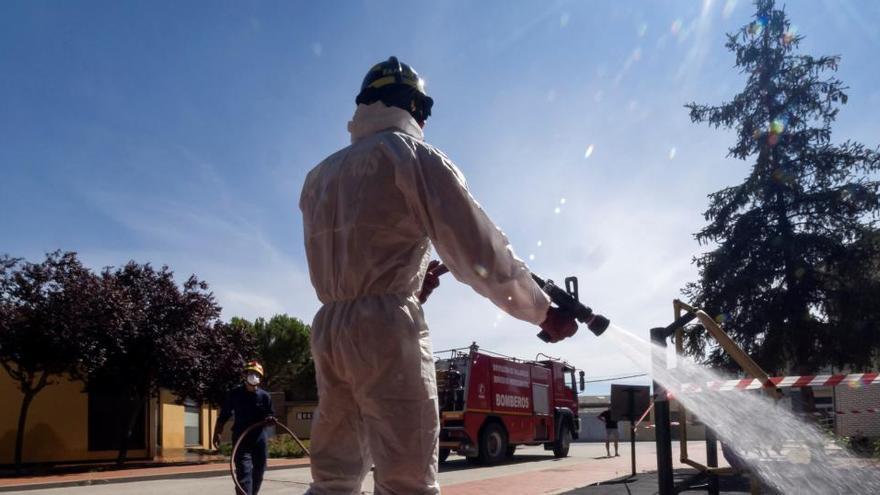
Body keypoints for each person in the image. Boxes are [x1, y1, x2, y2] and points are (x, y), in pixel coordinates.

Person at [299, 56, 578, 494]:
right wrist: (541, 312)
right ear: (414, 106)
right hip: (389, 331)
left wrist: (406, 287)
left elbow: (355, 261)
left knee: (334, 475)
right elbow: (481, 254)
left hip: (330, 330)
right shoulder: (411, 157)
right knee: (407, 478)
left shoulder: (318, 177)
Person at [213, 361, 275, 495]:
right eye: (250, 373)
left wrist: (270, 420)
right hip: (241, 439)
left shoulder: (265, 396)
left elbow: (270, 415)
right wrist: (217, 432)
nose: (253, 376)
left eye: (256, 374)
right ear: (244, 375)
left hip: (259, 439)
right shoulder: (234, 394)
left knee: (259, 471)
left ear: (260, 378)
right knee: (244, 473)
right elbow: (224, 415)